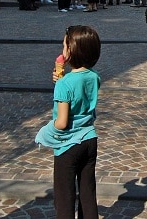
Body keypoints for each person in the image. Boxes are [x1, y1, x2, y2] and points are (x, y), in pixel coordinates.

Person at [35, 25, 101, 219]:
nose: (62, 50)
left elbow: (62, 122)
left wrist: (45, 131)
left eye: (64, 46)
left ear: (72, 51)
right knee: (88, 193)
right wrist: (62, 80)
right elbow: (79, 91)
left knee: (64, 197)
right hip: (89, 139)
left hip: (68, 146)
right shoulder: (93, 77)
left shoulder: (64, 84)